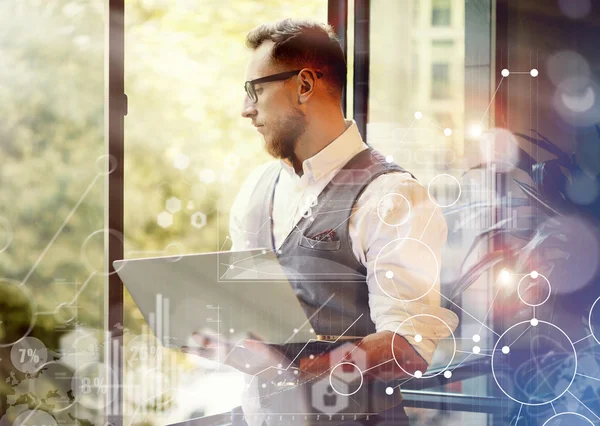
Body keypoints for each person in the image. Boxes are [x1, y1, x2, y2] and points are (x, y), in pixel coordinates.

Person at [185, 18, 458, 426]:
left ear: (305, 85)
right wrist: (221, 338)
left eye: (256, 90)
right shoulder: (257, 189)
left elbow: (408, 349)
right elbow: (252, 313)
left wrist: (295, 373)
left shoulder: (392, 196)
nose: (246, 110)